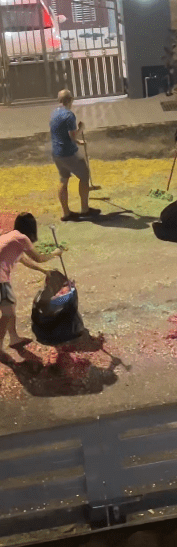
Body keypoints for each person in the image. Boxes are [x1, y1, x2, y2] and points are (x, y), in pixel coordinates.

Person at [0, 213, 65, 351]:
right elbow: (39, 258)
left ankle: (14, 337)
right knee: (8, 313)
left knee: (10, 307)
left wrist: (43, 271)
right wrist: (55, 253)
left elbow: (23, 259)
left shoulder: (11, 237)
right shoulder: (22, 238)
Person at [49, 89, 101, 221]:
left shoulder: (54, 113)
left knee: (63, 179)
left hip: (56, 153)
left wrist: (78, 142)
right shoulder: (69, 115)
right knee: (84, 175)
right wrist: (81, 129)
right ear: (70, 100)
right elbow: (72, 136)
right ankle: (85, 209)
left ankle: (66, 213)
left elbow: (61, 133)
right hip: (68, 153)